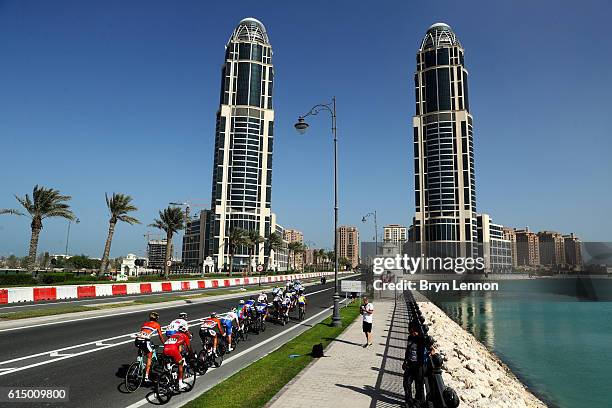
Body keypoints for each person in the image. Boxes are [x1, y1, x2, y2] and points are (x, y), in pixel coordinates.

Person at [134, 311, 166, 382]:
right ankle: (146, 376)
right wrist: (164, 344)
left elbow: (143, 332)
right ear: (157, 318)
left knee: (142, 350)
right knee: (149, 357)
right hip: (145, 341)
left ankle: (139, 362)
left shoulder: (145, 323)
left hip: (137, 340)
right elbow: (160, 336)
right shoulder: (157, 324)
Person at [162, 324, 193, 390]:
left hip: (165, 349)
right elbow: (189, 348)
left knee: (169, 366)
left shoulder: (173, 335)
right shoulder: (185, 336)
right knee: (180, 364)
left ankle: (169, 376)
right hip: (173, 350)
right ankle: (180, 383)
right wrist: (191, 355)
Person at [402, 320, 425, 406]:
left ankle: (418, 402)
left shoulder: (422, 339)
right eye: (410, 331)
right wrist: (405, 361)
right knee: (406, 383)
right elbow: (408, 350)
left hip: (419, 365)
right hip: (410, 364)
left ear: (417, 330)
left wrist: (432, 350)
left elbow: (429, 347)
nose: (412, 333)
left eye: (413, 331)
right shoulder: (410, 337)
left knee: (418, 386)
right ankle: (409, 401)